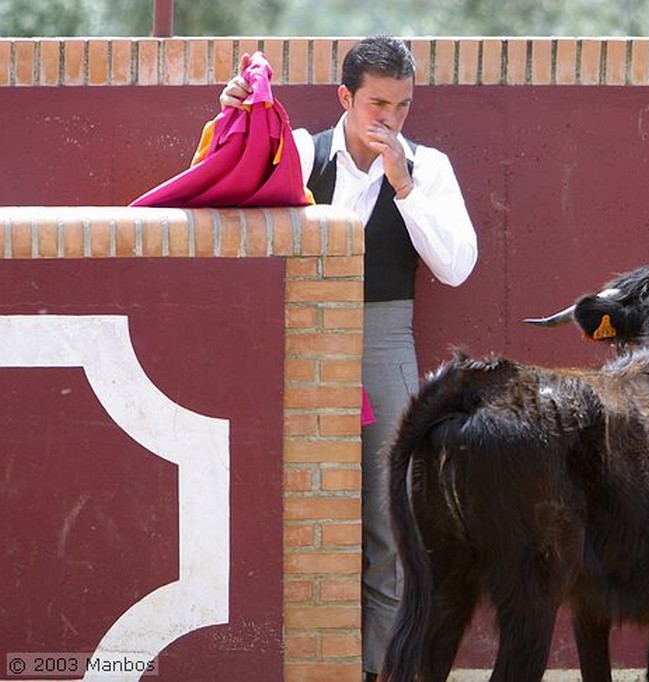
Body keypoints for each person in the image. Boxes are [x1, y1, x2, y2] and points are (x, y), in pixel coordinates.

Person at [221, 35, 478, 682]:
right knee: (291, 499)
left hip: (386, 344)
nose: (390, 119)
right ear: (346, 98)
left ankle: (376, 670)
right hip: (296, 339)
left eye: (403, 105)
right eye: (378, 103)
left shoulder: (429, 166)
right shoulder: (303, 152)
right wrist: (232, 122)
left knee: (390, 523)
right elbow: (222, 199)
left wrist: (404, 184)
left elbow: (455, 268)